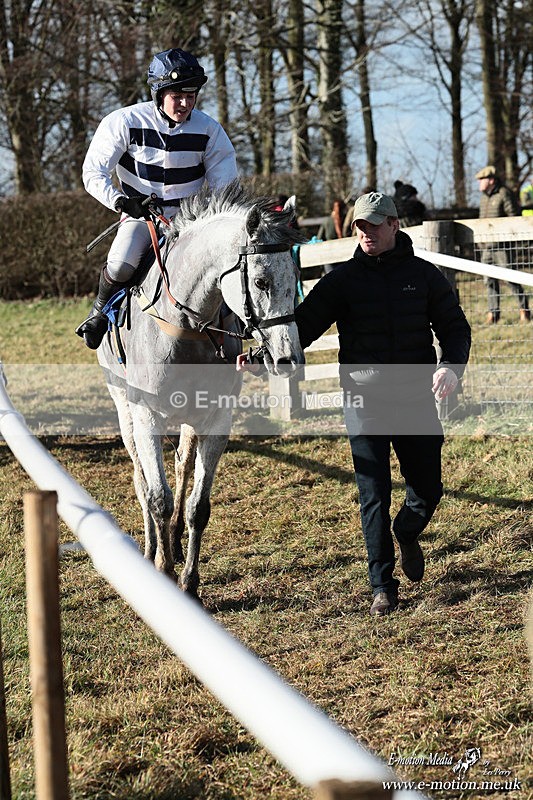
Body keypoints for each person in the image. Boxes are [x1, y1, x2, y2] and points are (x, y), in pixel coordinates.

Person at [238, 192, 471, 617]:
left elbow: (455, 327)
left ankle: (407, 529)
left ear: (394, 226)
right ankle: (382, 585)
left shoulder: (425, 276)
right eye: (360, 225)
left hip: (417, 397)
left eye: (374, 225)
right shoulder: (341, 281)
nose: (365, 232)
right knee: (373, 492)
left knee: (428, 488)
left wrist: (450, 367)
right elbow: (303, 327)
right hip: (364, 399)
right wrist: (259, 357)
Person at [76, 47, 238, 349]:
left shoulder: (210, 130)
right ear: (158, 93)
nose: (185, 103)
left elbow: (224, 188)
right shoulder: (124, 121)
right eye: (177, 96)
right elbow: (93, 172)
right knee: (122, 263)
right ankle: (98, 313)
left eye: (191, 95)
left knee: (225, 263)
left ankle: (239, 329)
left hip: (191, 223)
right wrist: (121, 202)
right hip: (141, 217)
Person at [475, 165, 529, 323]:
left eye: (482, 180)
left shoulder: (504, 193)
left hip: (502, 245)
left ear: (491, 180)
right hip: (487, 246)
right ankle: (493, 313)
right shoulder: (484, 197)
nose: (479, 183)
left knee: (510, 277)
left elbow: (513, 216)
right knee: (489, 280)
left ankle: (524, 309)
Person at [317, 198, 347, 273]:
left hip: (329, 255)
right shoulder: (347, 221)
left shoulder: (327, 221)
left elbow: (319, 239)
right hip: (345, 254)